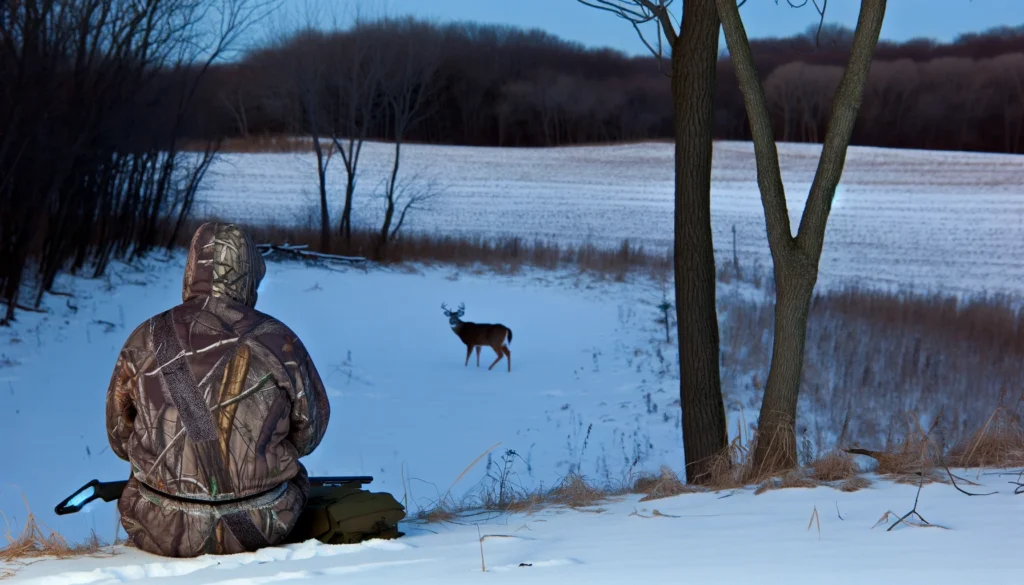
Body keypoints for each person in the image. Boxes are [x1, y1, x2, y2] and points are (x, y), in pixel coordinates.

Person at [104, 222, 331, 557]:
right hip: (264, 525)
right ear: (250, 273)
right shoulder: (279, 340)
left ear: (192, 270)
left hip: (160, 527)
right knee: (297, 477)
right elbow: (309, 436)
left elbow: (119, 439)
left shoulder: (146, 337)